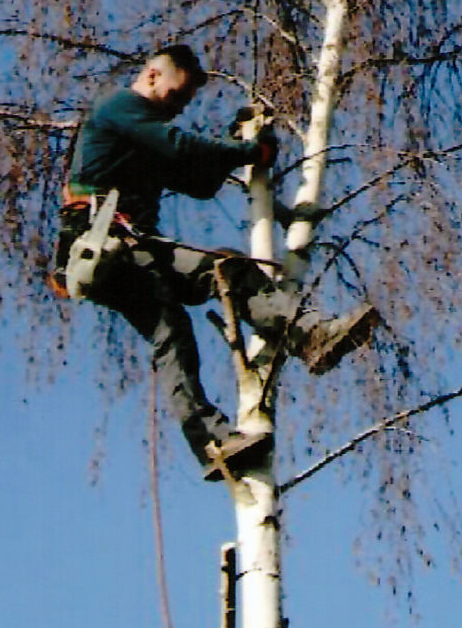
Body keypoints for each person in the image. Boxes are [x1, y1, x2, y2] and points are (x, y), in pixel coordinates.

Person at [56, 44, 378, 480]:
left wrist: (239, 143)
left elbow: (199, 181)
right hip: (110, 246)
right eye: (176, 95)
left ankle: (308, 337)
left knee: (222, 277)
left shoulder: (144, 134)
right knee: (174, 328)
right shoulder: (121, 108)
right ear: (152, 76)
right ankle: (213, 439)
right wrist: (247, 153)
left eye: (185, 102)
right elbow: (180, 144)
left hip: (136, 249)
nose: (178, 107)